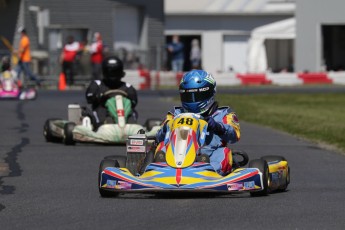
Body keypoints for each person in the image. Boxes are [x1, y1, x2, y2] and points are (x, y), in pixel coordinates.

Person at [155, 69, 241, 176]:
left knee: (224, 153)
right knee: (161, 146)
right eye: (188, 97)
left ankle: (207, 170)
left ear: (210, 93)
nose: (193, 101)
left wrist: (218, 127)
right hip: (174, 155)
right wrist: (166, 128)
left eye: (198, 96)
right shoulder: (175, 113)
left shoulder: (223, 114)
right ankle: (158, 168)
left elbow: (235, 136)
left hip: (209, 154)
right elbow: (158, 137)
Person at [84, 56, 138, 130]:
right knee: (99, 111)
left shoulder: (127, 87)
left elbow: (133, 102)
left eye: (115, 72)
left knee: (131, 111)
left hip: (123, 111)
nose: (113, 74)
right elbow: (89, 98)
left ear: (121, 72)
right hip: (102, 109)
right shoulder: (97, 84)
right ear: (104, 72)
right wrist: (99, 97)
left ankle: (132, 128)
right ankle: (101, 127)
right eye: (110, 72)